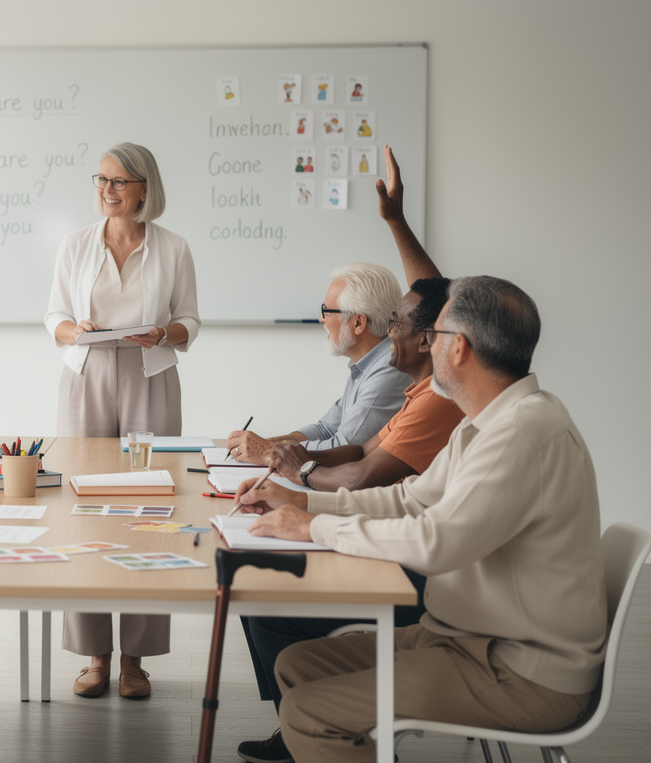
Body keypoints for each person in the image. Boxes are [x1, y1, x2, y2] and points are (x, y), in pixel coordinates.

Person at [236, 276, 605, 763]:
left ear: (461, 349)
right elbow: (411, 499)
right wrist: (305, 505)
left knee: (308, 709)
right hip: (464, 637)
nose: (425, 346)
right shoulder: (484, 422)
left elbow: (437, 542)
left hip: (518, 669)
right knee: (297, 664)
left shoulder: (522, 433)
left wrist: (313, 528)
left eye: (435, 335)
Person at [44, 142, 201, 698]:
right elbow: (54, 317)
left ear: (144, 188)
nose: (107, 190)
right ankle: (95, 655)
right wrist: (76, 331)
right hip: (86, 373)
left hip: (149, 372)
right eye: (101, 180)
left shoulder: (174, 247)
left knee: (148, 507)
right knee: (83, 507)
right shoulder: (75, 244)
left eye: (119, 181)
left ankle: (136, 659)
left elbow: (189, 322)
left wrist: (162, 333)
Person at [227, 262, 411, 462]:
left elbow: (343, 447)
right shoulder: (366, 365)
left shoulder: (389, 367)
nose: (321, 319)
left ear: (358, 322)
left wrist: (268, 450)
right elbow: (325, 429)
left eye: (327, 310)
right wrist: (264, 444)